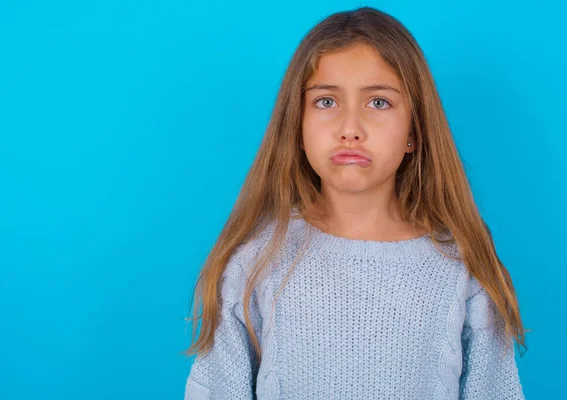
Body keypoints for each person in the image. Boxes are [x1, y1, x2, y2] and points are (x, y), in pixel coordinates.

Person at [182, 6, 529, 399]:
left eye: (378, 102)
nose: (350, 129)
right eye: (326, 102)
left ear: (413, 131)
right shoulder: (257, 261)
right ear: (296, 125)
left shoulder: (461, 266)